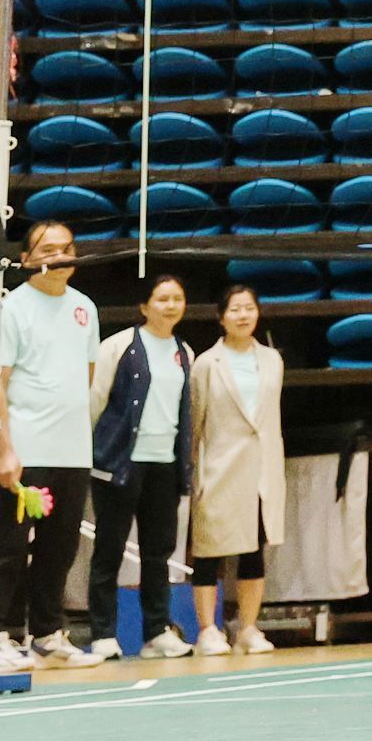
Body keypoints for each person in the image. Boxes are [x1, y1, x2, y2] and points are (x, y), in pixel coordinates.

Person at [0, 218, 102, 668]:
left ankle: (48, 634)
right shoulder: (11, 308)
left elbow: (86, 376)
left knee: (60, 549)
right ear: (26, 260)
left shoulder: (85, 308)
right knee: (7, 548)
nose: (58, 257)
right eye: (47, 250)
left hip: (72, 451)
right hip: (24, 450)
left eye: (66, 248)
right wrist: (5, 449)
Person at [83, 271, 195, 657]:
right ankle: (102, 633)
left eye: (177, 299)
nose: (170, 306)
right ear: (145, 306)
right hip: (119, 463)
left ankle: (156, 632)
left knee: (158, 553)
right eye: (162, 299)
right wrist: (93, 453)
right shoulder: (118, 346)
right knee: (109, 550)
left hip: (165, 464)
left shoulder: (185, 352)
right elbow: (95, 402)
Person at [186, 281, 285, 653]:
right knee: (210, 551)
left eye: (249, 308)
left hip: (260, 471)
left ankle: (248, 628)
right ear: (221, 317)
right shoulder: (206, 364)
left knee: (253, 549)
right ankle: (207, 630)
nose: (243, 315)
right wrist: (195, 472)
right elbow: (195, 422)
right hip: (219, 469)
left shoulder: (272, 359)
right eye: (235, 309)